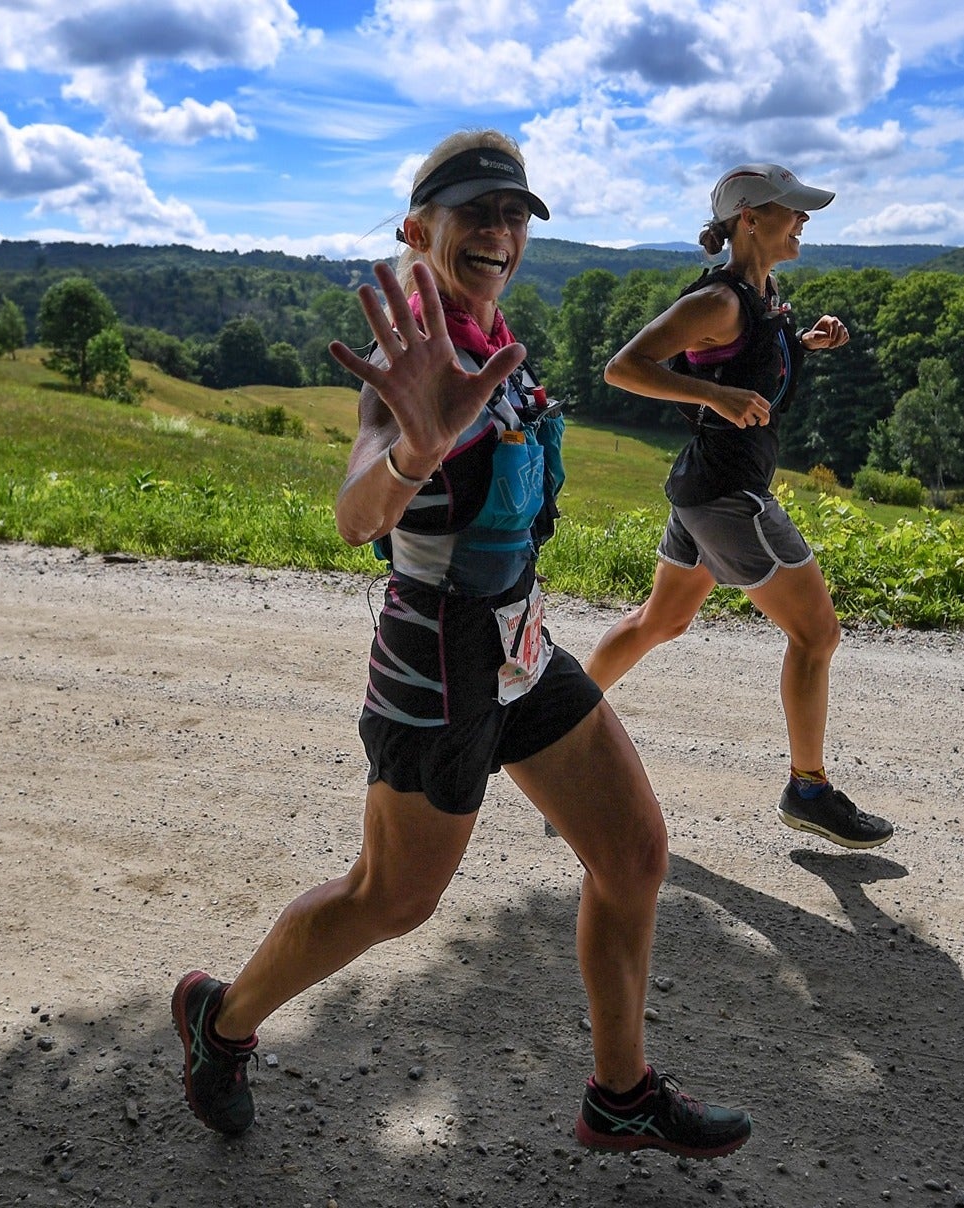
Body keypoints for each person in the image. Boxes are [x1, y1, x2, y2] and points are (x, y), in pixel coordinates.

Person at [172, 131, 751, 1159]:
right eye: (474, 211)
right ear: (416, 229)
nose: (499, 231)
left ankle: (619, 1095)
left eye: (513, 213)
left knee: (633, 856)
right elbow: (356, 515)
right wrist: (413, 450)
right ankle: (220, 1021)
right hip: (436, 661)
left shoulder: (492, 339)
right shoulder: (411, 364)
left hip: (518, 644)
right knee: (389, 899)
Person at [583, 163, 896, 850]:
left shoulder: (763, 296)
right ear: (749, 219)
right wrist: (713, 396)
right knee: (816, 635)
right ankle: (807, 790)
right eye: (793, 210)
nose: (804, 220)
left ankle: (554, 723)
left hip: (704, 489)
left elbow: (743, 360)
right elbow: (623, 368)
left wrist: (802, 345)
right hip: (729, 496)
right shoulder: (718, 301)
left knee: (660, 621)